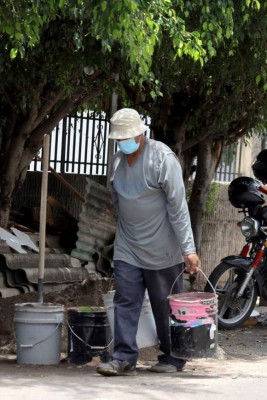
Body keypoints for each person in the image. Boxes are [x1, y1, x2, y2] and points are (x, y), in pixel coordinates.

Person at [96, 108, 201, 377]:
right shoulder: (118, 161)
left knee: (164, 304)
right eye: (119, 139)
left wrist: (188, 249)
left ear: (141, 133)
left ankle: (173, 356)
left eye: (127, 137)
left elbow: (178, 207)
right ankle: (124, 358)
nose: (123, 142)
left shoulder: (162, 158)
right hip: (129, 245)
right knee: (126, 300)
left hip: (162, 247)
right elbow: (117, 200)